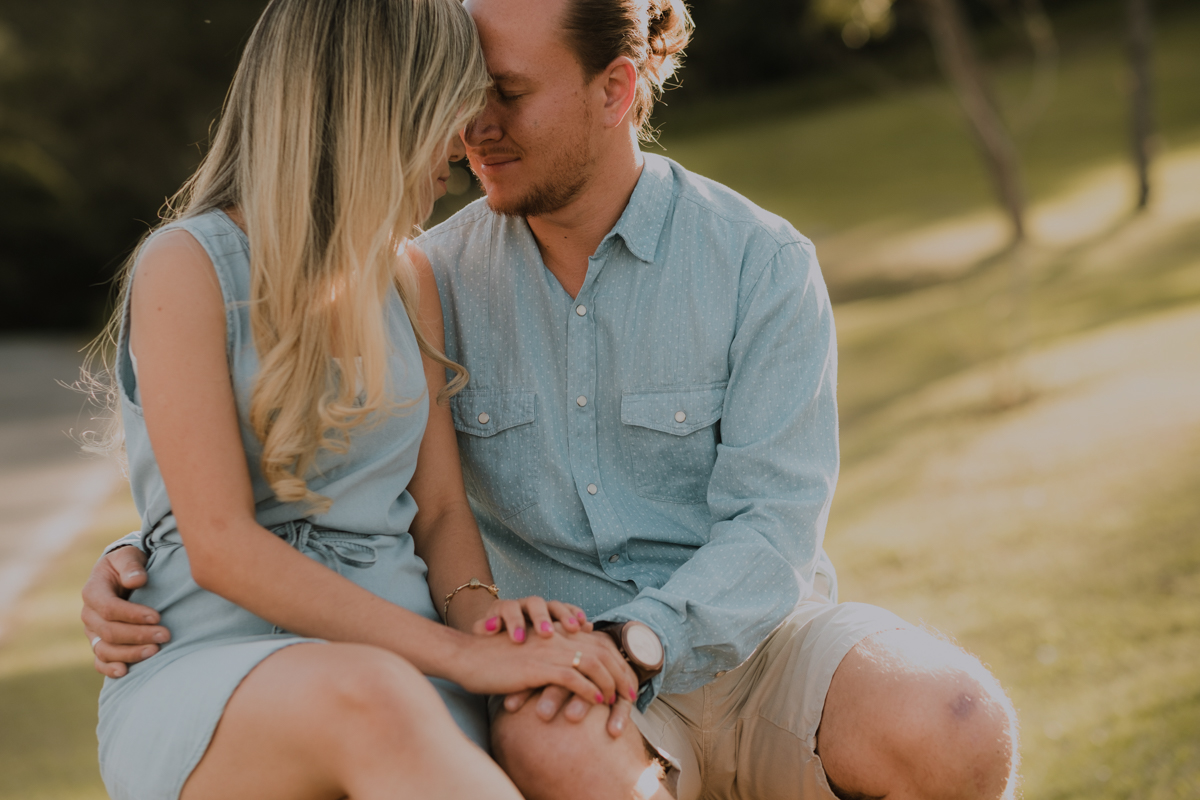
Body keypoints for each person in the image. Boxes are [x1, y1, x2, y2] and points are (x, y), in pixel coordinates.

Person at [85, 0, 1021, 799]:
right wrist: (140, 552)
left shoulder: (755, 262)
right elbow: (253, 502)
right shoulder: (429, 272)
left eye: (507, 95)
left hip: (740, 647)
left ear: (615, 90)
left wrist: (609, 641)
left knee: (958, 720)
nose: (468, 136)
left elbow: (774, 524)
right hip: (536, 672)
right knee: (519, 738)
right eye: (457, 105)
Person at [79, 1, 638, 799]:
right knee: (372, 697)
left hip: (412, 667)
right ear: (380, 115)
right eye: (446, 113)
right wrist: (465, 657)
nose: (462, 142)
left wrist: (497, 635)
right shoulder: (186, 266)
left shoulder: (410, 281)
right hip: (219, 669)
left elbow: (442, 512)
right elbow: (220, 543)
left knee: (554, 713)